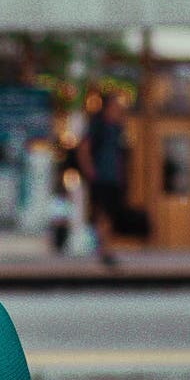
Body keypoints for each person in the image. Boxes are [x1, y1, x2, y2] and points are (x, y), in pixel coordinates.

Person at [73, 85, 130, 271]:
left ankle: (106, 248)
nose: (118, 109)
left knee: (109, 214)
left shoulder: (117, 128)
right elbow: (84, 148)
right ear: (107, 106)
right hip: (102, 177)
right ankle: (104, 250)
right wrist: (90, 171)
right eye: (115, 105)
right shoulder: (97, 125)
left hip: (113, 177)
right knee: (102, 214)